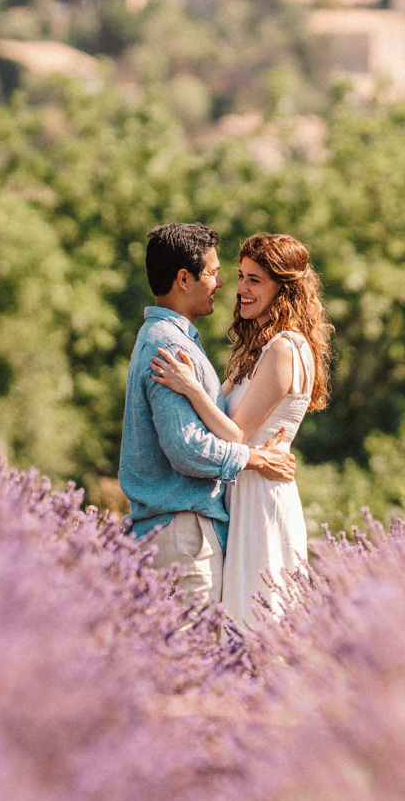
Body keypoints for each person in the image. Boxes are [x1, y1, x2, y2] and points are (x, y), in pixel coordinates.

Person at [150, 232, 328, 622]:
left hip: (261, 497)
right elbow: (220, 410)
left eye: (254, 280)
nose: (240, 289)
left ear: (284, 289)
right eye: (241, 276)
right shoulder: (260, 348)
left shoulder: (285, 348)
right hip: (241, 489)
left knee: (257, 619)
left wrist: (189, 387)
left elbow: (233, 434)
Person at [119, 223, 296, 605]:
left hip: (179, 532)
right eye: (214, 273)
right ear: (184, 279)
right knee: (193, 654)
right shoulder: (168, 344)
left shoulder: (167, 339)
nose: (221, 285)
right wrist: (254, 458)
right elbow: (186, 448)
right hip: (182, 537)